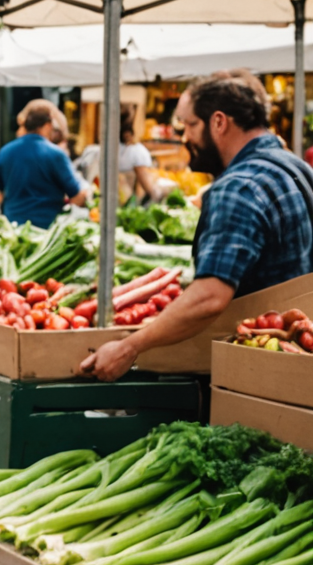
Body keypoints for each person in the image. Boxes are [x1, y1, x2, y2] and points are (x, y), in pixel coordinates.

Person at [82, 73, 313, 382]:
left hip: (254, 371)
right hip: (295, 359)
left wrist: (130, 346)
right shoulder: (297, 167)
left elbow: (209, 297)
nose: (184, 138)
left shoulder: (238, 188)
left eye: (189, 125)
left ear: (218, 122)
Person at [0, 98, 87, 228]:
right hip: (46, 231)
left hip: (13, 228)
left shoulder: (5, 151)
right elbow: (76, 198)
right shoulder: (56, 154)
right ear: (48, 125)